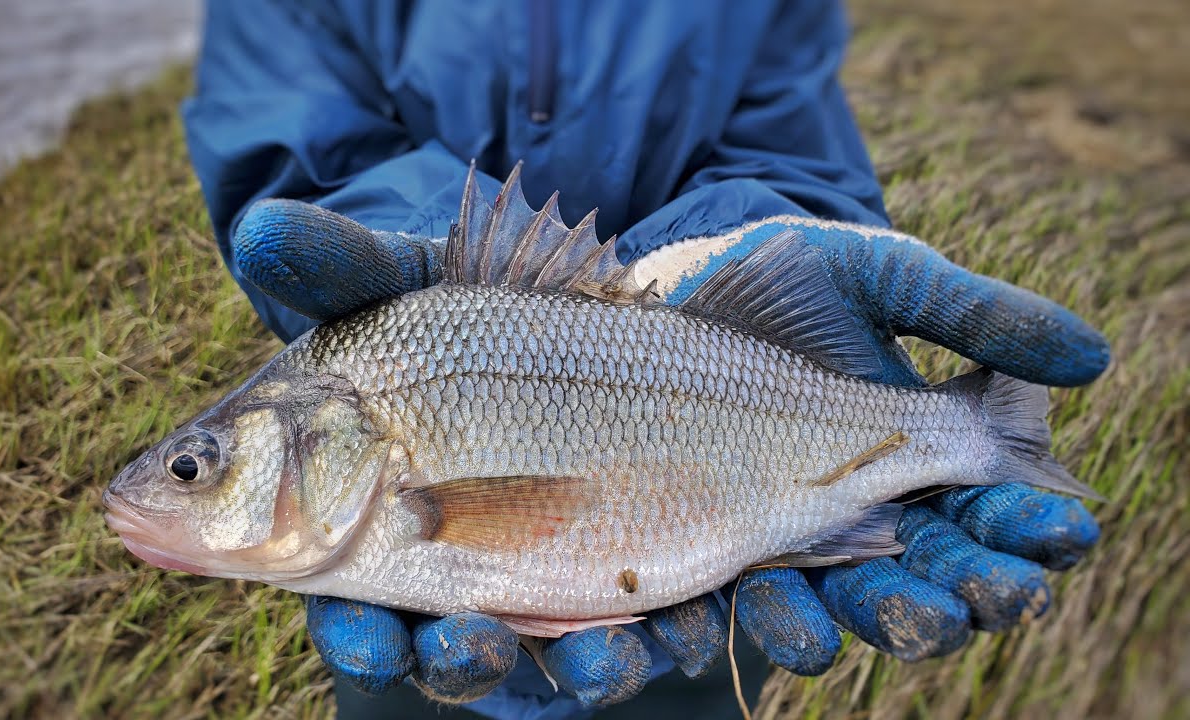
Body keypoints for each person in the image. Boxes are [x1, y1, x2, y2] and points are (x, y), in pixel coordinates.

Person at [181, 2, 1108, 717]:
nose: (182, 481)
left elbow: (791, 146)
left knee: (685, 683)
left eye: (197, 466)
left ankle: (980, 432)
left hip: (714, 603)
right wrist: (397, 247)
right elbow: (296, 145)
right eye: (196, 467)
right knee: (407, 684)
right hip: (418, 647)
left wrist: (748, 245)